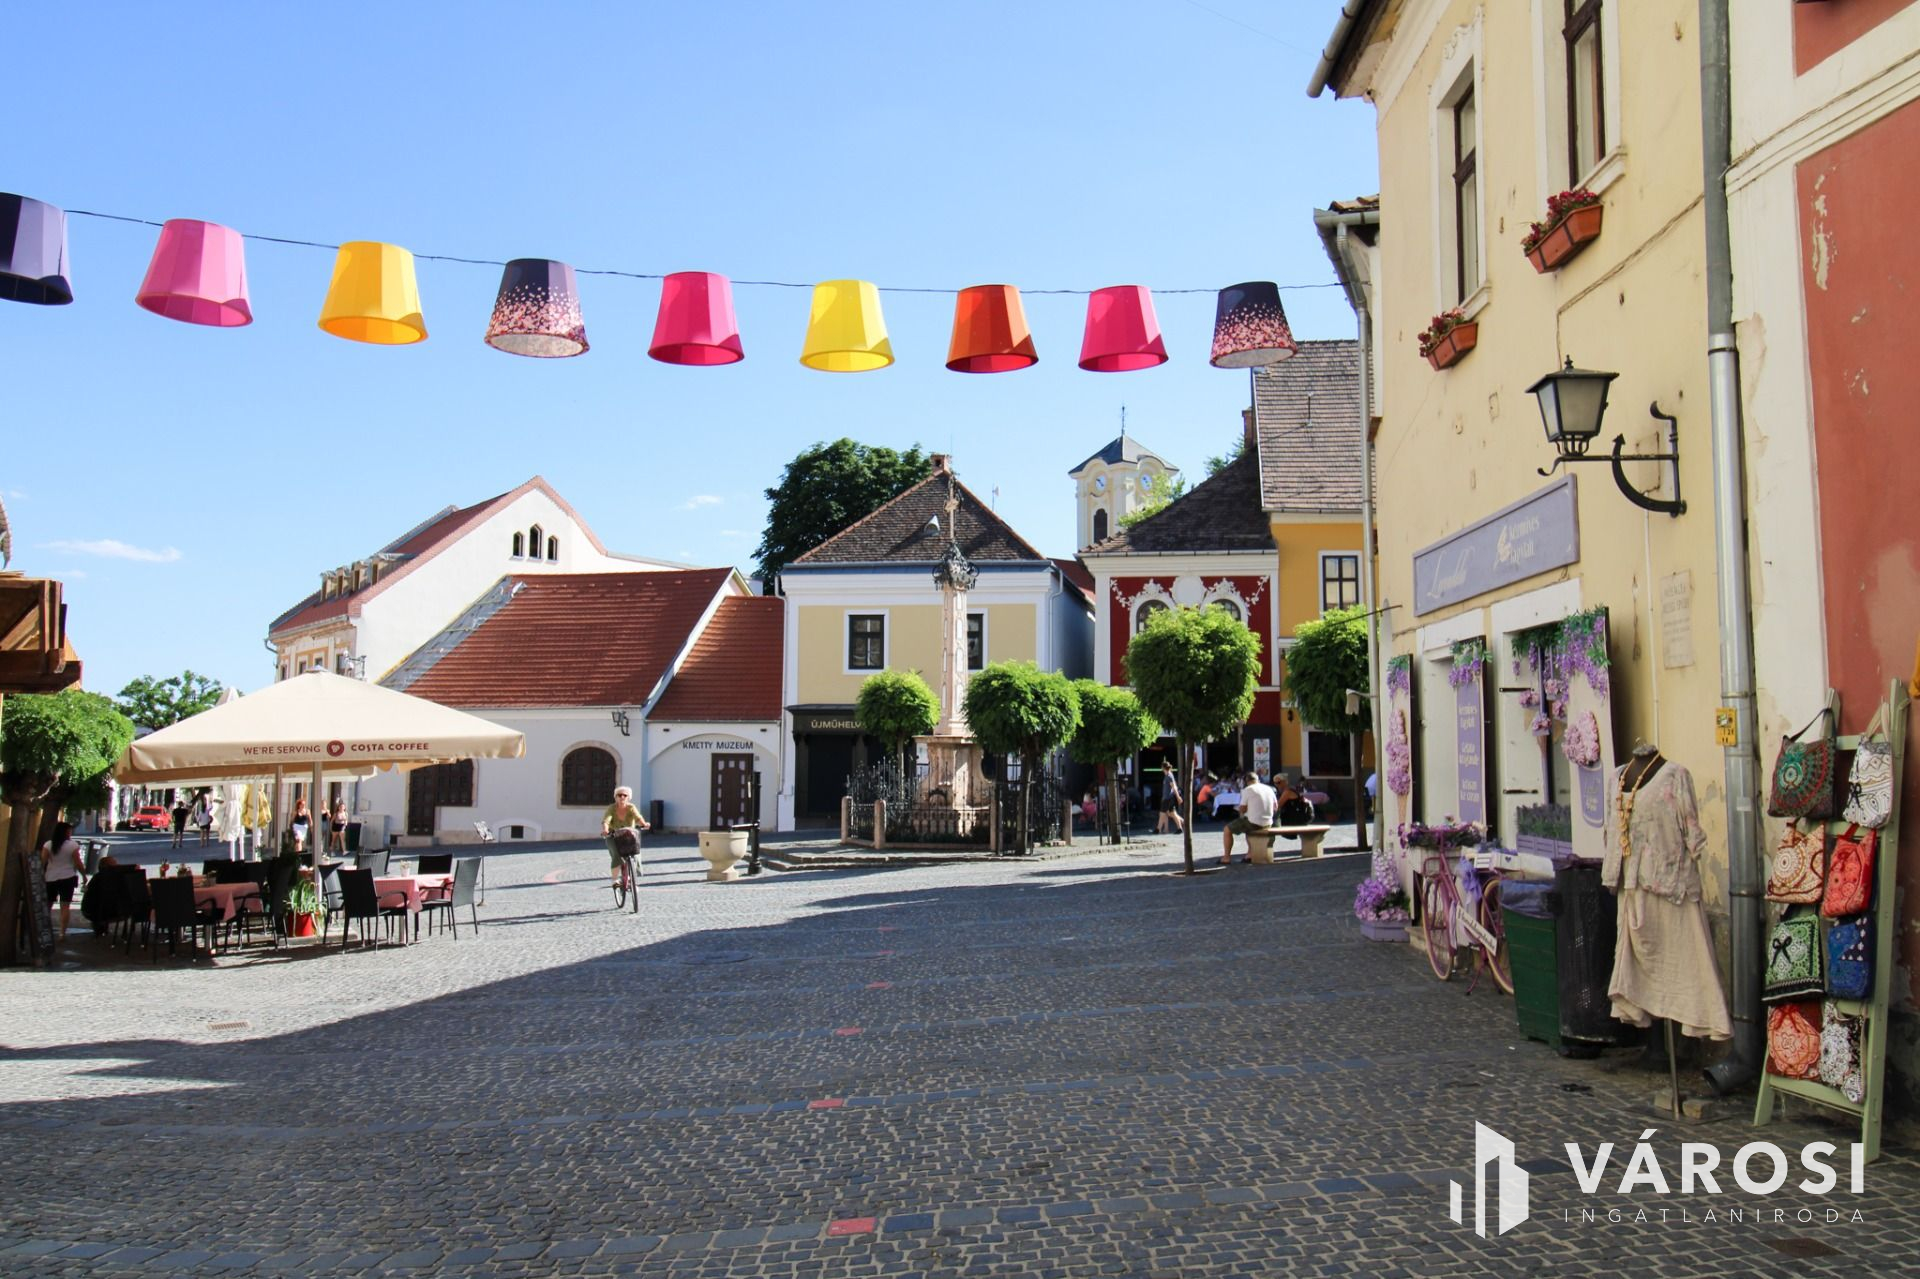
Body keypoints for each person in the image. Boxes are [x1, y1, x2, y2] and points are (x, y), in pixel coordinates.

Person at [39, 821, 85, 940]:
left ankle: (44, 930)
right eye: (69, 831)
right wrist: (84, 875)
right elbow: (78, 863)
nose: (70, 833)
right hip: (67, 877)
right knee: (65, 906)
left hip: (50, 878)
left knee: (48, 905)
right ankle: (62, 933)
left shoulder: (48, 845)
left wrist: (39, 876)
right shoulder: (72, 845)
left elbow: (42, 862)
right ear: (65, 832)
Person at [1222, 770, 1277, 866]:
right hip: (1268, 822)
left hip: (1254, 822)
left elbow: (1242, 809)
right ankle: (1249, 854)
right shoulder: (1269, 789)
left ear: (1246, 781)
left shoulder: (1248, 790)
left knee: (1227, 829)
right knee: (1247, 827)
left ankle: (1226, 857)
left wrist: (1241, 809)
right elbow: (1275, 807)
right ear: (1258, 780)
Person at [602, 785, 651, 888]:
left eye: (625, 795)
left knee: (635, 853)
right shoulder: (612, 808)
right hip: (613, 836)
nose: (622, 797)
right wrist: (605, 830)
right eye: (619, 795)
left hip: (628, 835)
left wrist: (644, 824)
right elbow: (606, 820)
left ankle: (631, 878)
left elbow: (638, 818)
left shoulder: (631, 807)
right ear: (615, 797)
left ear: (629, 797)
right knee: (616, 856)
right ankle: (615, 880)